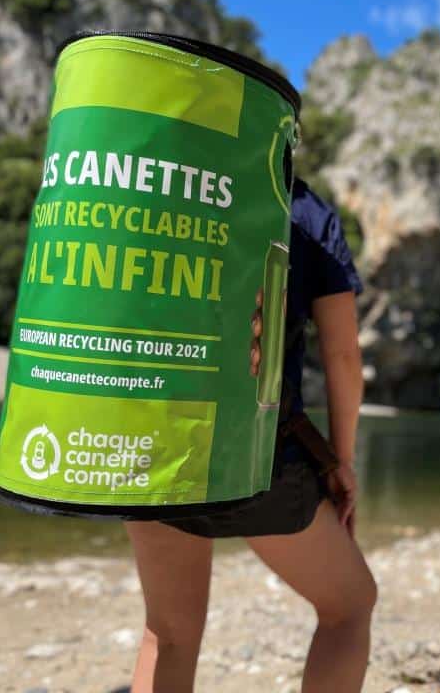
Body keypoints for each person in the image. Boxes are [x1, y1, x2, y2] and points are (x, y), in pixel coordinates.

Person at [124, 177, 375, 693]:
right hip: (260, 451)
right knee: (349, 606)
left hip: (152, 434)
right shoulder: (304, 210)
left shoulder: (160, 178)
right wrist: (339, 461)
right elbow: (343, 356)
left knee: (168, 634)